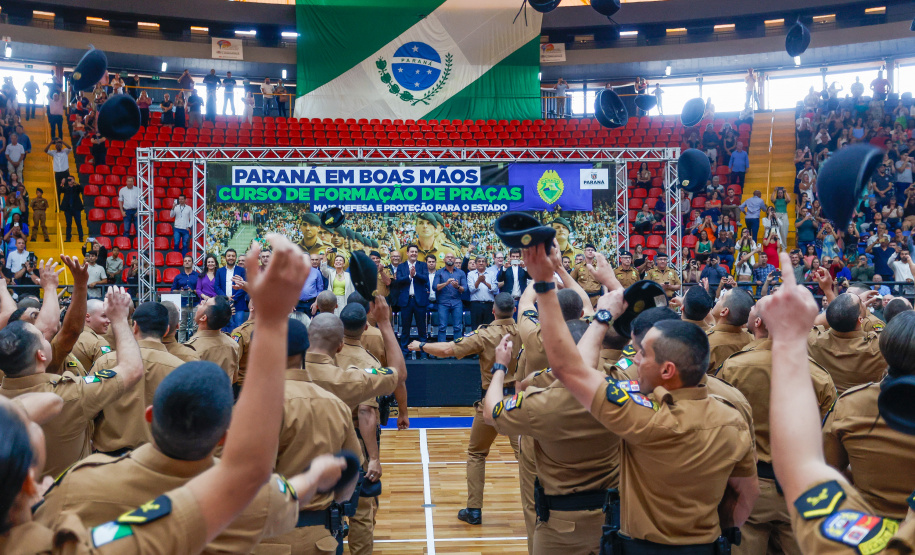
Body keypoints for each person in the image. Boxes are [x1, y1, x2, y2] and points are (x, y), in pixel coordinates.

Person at [521, 240, 758, 551]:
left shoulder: (641, 415)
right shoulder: (733, 410)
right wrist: (725, 532)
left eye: (643, 354)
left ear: (667, 368)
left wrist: (549, 285)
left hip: (641, 544)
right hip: (706, 543)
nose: (635, 359)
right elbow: (746, 492)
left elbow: (573, 370)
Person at [761, 253, 914, 555]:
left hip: (867, 524)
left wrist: (790, 336)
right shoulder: (873, 345)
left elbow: (806, 469)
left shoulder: (849, 402)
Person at [717, 305, 837, 555]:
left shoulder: (734, 367)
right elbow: (827, 436)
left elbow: (720, 422)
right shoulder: (819, 376)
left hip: (747, 485)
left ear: (763, 324)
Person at [408, 292, 521, 525]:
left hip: (491, 402)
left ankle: (474, 510)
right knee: (527, 457)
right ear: (514, 309)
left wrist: (421, 345)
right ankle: (540, 503)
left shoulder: (485, 334)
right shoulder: (526, 332)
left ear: (493, 310)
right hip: (518, 403)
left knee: (477, 453)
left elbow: (448, 350)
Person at [88, 302, 186, 456]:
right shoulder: (181, 370)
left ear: (134, 327)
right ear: (167, 330)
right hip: (158, 458)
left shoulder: (107, 362)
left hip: (108, 458)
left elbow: (89, 406)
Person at [186, 294, 241, 382]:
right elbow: (234, 378)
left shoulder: (192, 348)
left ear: (203, 318)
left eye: (204, 303)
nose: (201, 302)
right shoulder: (233, 345)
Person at [706, 287, 755, 373]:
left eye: (721, 298)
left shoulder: (705, 342)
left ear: (724, 311)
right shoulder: (752, 340)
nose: (717, 301)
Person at [395, 244, 430, 353]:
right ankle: (404, 351)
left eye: (415, 252)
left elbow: (425, 279)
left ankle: (423, 351)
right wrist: (409, 276)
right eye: (412, 252)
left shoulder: (423, 265)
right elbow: (399, 281)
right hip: (406, 301)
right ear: (407, 253)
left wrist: (415, 274)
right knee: (405, 328)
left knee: (422, 328)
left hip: (419, 301)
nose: (414, 253)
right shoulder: (401, 266)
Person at [431, 251, 467, 342]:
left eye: (452, 257)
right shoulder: (439, 272)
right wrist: (446, 283)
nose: (450, 258)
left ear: (455, 260)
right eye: (448, 257)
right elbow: (435, 287)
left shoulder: (461, 273)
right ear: (444, 260)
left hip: (457, 303)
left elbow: (465, 289)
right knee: (442, 327)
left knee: (458, 327)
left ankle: (457, 351)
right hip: (443, 303)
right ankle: (442, 352)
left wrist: (457, 287)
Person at [215, 248, 248, 331]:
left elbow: (244, 286)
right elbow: (216, 286)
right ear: (225, 258)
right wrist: (226, 298)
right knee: (224, 328)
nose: (231, 258)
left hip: (238, 304)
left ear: (236, 258)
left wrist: (233, 298)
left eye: (233, 256)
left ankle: (237, 344)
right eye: (229, 256)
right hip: (224, 304)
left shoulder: (242, 270)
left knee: (238, 328)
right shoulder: (219, 271)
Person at [44, 139, 71, 206]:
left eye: (60, 144)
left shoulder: (65, 151)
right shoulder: (53, 152)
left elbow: (70, 148)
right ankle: (58, 206)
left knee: (68, 189)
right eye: (57, 144)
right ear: (55, 146)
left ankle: (67, 205)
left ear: (62, 146)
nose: (58, 145)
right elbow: (45, 150)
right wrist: (50, 143)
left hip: (65, 173)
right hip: (58, 173)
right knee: (58, 190)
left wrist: (63, 141)